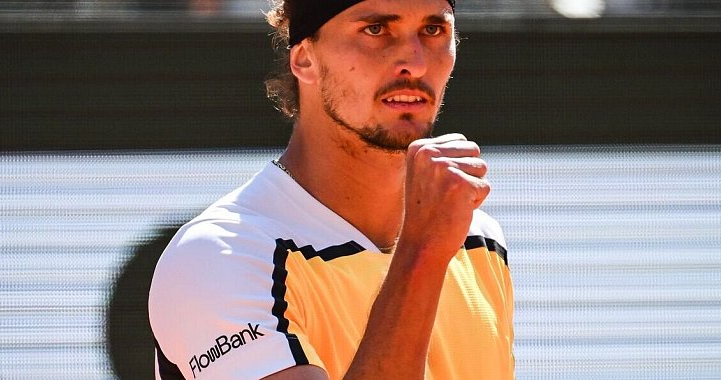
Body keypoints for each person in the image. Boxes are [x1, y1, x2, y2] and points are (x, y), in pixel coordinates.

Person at [148, 0, 514, 379]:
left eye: (433, 30)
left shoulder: (478, 239)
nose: (416, 63)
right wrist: (422, 254)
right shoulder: (217, 254)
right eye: (376, 30)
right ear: (304, 58)